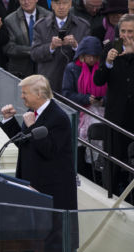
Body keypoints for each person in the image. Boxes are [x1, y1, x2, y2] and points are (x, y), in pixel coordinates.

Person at [0, 74, 77, 252]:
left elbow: (49, 150)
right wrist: (9, 121)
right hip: (33, 185)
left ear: (40, 93)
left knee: (53, 242)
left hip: (53, 191)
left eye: (25, 93)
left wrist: (33, 126)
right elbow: (26, 144)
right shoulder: (33, 113)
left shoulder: (58, 117)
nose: (22, 97)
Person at [94, 13, 134, 195]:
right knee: (113, 159)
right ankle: (111, 194)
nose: (126, 35)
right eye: (123, 31)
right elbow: (98, 81)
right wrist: (108, 62)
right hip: (115, 116)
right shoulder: (112, 47)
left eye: (131, 32)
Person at [62, 36, 107, 179]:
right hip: (80, 115)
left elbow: (112, 91)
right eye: (89, 56)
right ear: (82, 55)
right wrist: (86, 98)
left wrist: (102, 101)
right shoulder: (72, 68)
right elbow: (67, 93)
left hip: (101, 113)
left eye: (95, 56)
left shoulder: (102, 68)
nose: (92, 60)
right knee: (81, 151)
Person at [30, 0, 90, 92]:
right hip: (49, 82)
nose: (61, 7)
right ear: (52, 5)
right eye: (58, 3)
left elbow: (90, 57)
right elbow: (34, 54)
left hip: (75, 82)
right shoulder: (40, 26)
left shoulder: (83, 26)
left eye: (65, 3)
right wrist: (51, 47)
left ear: (70, 4)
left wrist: (75, 46)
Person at [3, 0, 51, 78]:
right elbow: (9, 48)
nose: (26, 2)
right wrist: (33, 51)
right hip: (20, 73)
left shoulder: (49, 16)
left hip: (44, 70)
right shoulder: (9, 20)